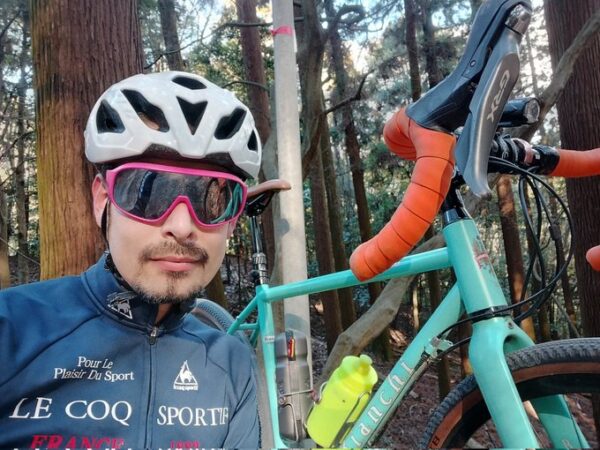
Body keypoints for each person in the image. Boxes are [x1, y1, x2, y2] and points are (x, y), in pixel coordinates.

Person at [0, 71, 261, 449]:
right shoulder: (12, 330)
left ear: (232, 220)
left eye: (212, 199)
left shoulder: (231, 366)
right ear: (102, 200)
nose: (182, 227)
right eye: (148, 192)